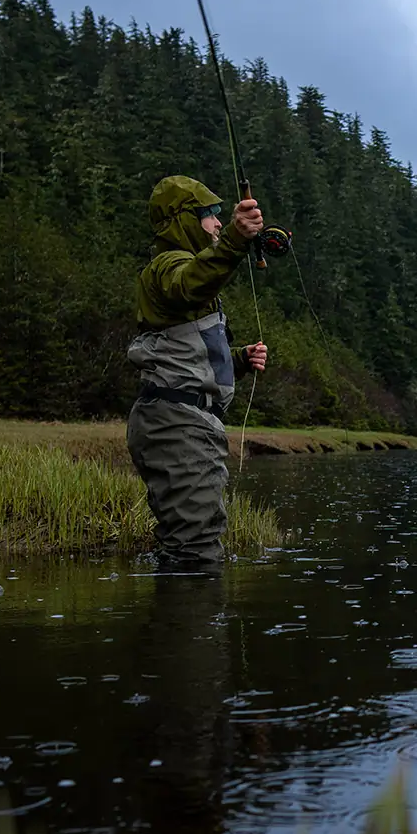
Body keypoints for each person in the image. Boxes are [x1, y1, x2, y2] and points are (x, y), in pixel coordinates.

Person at [126, 174, 270, 570]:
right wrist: (237, 242)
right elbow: (189, 285)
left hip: (181, 423)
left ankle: (174, 624)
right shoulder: (169, 267)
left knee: (188, 544)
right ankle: (187, 629)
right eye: (209, 214)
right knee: (196, 550)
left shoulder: (190, 270)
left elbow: (184, 352)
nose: (218, 222)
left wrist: (239, 359)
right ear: (182, 219)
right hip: (177, 425)